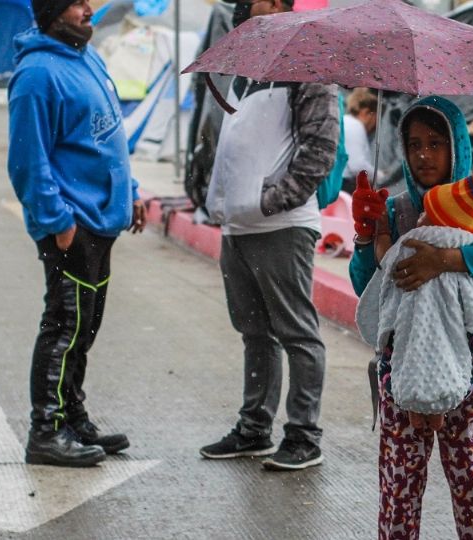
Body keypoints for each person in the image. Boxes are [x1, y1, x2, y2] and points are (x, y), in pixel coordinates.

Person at [349, 96, 473, 539]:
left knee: (472, 488)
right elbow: (365, 285)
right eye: (413, 145)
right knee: (399, 490)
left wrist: (444, 258)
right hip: (403, 365)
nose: (423, 155)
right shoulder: (395, 210)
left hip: (472, 364)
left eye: (435, 143)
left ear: (457, 147)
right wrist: (365, 235)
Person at [198, 0, 340, 471]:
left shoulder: (308, 66)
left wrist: (272, 199)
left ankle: (303, 435)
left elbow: (321, 147)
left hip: (280, 226)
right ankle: (254, 428)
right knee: (255, 333)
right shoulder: (246, 67)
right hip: (237, 225)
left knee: (296, 332)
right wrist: (218, 198)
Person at [7, 0, 146, 468]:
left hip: (101, 220)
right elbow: (28, 160)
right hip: (72, 224)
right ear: (51, 12)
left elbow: (108, 140)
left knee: (84, 328)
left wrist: (131, 191)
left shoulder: (87, 57)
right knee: (64, 328)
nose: (88, 9)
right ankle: (45, 431)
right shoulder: (37, 76)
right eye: (76, 3)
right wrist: (58, 223)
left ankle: (72, 419)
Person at [341, 87, 377, 193]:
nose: (375, 124)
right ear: (366, 112)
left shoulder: (346, 121)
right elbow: (357, 165)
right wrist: (378, 176)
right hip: (345, 185)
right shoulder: (355, 126)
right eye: (375, 117)